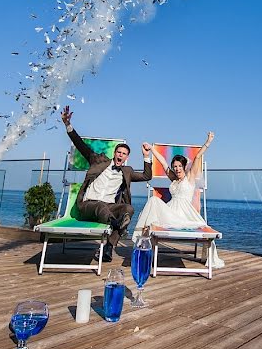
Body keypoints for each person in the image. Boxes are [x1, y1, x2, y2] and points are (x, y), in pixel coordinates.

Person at [61, 106, 151, 262]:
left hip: (109, 208)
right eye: (118, 152)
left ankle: (109, 247)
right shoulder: (98, 161)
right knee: (102, 207)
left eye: (124, 154)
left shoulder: (127, 171)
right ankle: (116, 225)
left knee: (128, 209)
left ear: (126, 158)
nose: (120, 155)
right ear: (114, 153)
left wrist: (146, 156)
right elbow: (81, 145)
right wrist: (68, 125)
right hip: (88, 206)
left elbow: (146, 176)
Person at [133, 132, 224, 269]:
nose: (177, 169)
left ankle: (140, 241)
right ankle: (143, 245)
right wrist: (151, 149)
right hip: (170, 211)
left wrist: (208, 142)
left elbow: (198, 156)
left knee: (153, 202)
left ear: (184, 166)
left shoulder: (190, 178)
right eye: (175, 166)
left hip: (183, 214)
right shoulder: (174, 179)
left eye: (179, 166)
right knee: (152, 203)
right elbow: (163, 163)